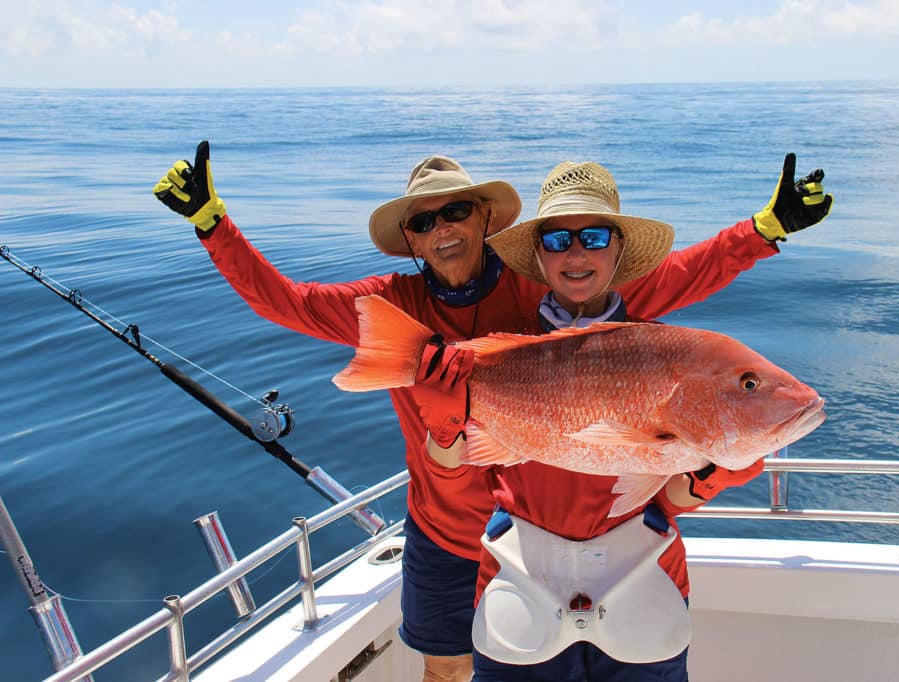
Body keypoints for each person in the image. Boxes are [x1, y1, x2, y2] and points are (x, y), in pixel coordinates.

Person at [152, 142, 824, 682]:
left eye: (454, 213)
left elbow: (671, 281)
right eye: (422, 221)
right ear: (410, 241)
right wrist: (213, 224)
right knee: (445, 668)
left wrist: (762, 232)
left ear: (484, 220)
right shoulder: (396, 304)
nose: (441, 230)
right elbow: (286, 303)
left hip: (536, 529)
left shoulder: (546, 284)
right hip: (449, 531)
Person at [421, 159, 832, 680]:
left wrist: (724, 466)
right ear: (539, 254)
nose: (576, 253)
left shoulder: (660, 346)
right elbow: (454, 474)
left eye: (593, 237)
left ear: (618, 249)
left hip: (645, 586)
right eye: (557, 240)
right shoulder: (501, 352)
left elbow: (672, 498)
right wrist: (444, 429)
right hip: (516, 585)